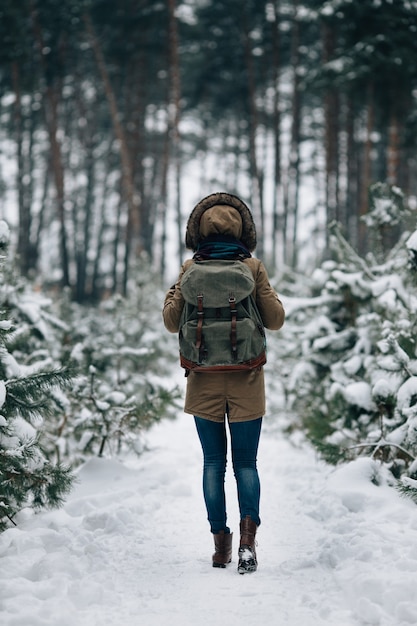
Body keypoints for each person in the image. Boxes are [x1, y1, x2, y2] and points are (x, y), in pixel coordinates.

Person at [163, 192, 285, 574]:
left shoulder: (189, 267)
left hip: (203, 379)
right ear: (242, 229)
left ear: (197, 230)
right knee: (246, 463)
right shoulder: (252, 266)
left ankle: (221, 545)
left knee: (213, 463)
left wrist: (176, 287)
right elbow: (276, 318)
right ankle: (249, 542)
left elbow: (170, 321)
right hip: (247, 376)